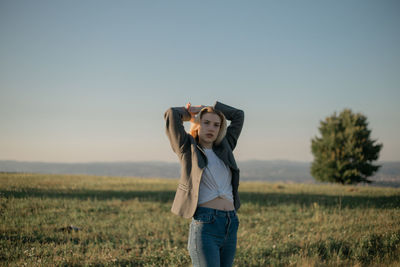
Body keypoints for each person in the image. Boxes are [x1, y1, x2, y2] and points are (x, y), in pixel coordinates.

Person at [164, 101, 244, 267]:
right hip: (206, 224)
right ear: (198, 124)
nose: (211, 128)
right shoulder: (187, 147)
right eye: (206, 122)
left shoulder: (225, 147)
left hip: (231, 223)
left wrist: (214, 107)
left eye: (216, 125)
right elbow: (171, 114)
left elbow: (238, 115)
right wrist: (191, 113)